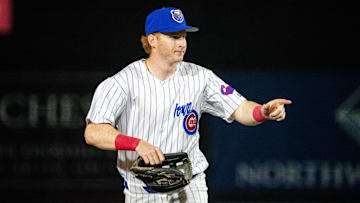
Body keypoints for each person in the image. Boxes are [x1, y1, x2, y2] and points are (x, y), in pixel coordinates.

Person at [84, 6, 292, 203]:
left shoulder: (200, 77)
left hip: (190, 185)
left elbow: (240, 108)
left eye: (183, 36)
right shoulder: (122, 82)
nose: (181, 43)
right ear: (153, 40)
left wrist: (262, 112)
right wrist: (136, 143)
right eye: (174, 37)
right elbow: (93, 132)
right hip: (143, 191)